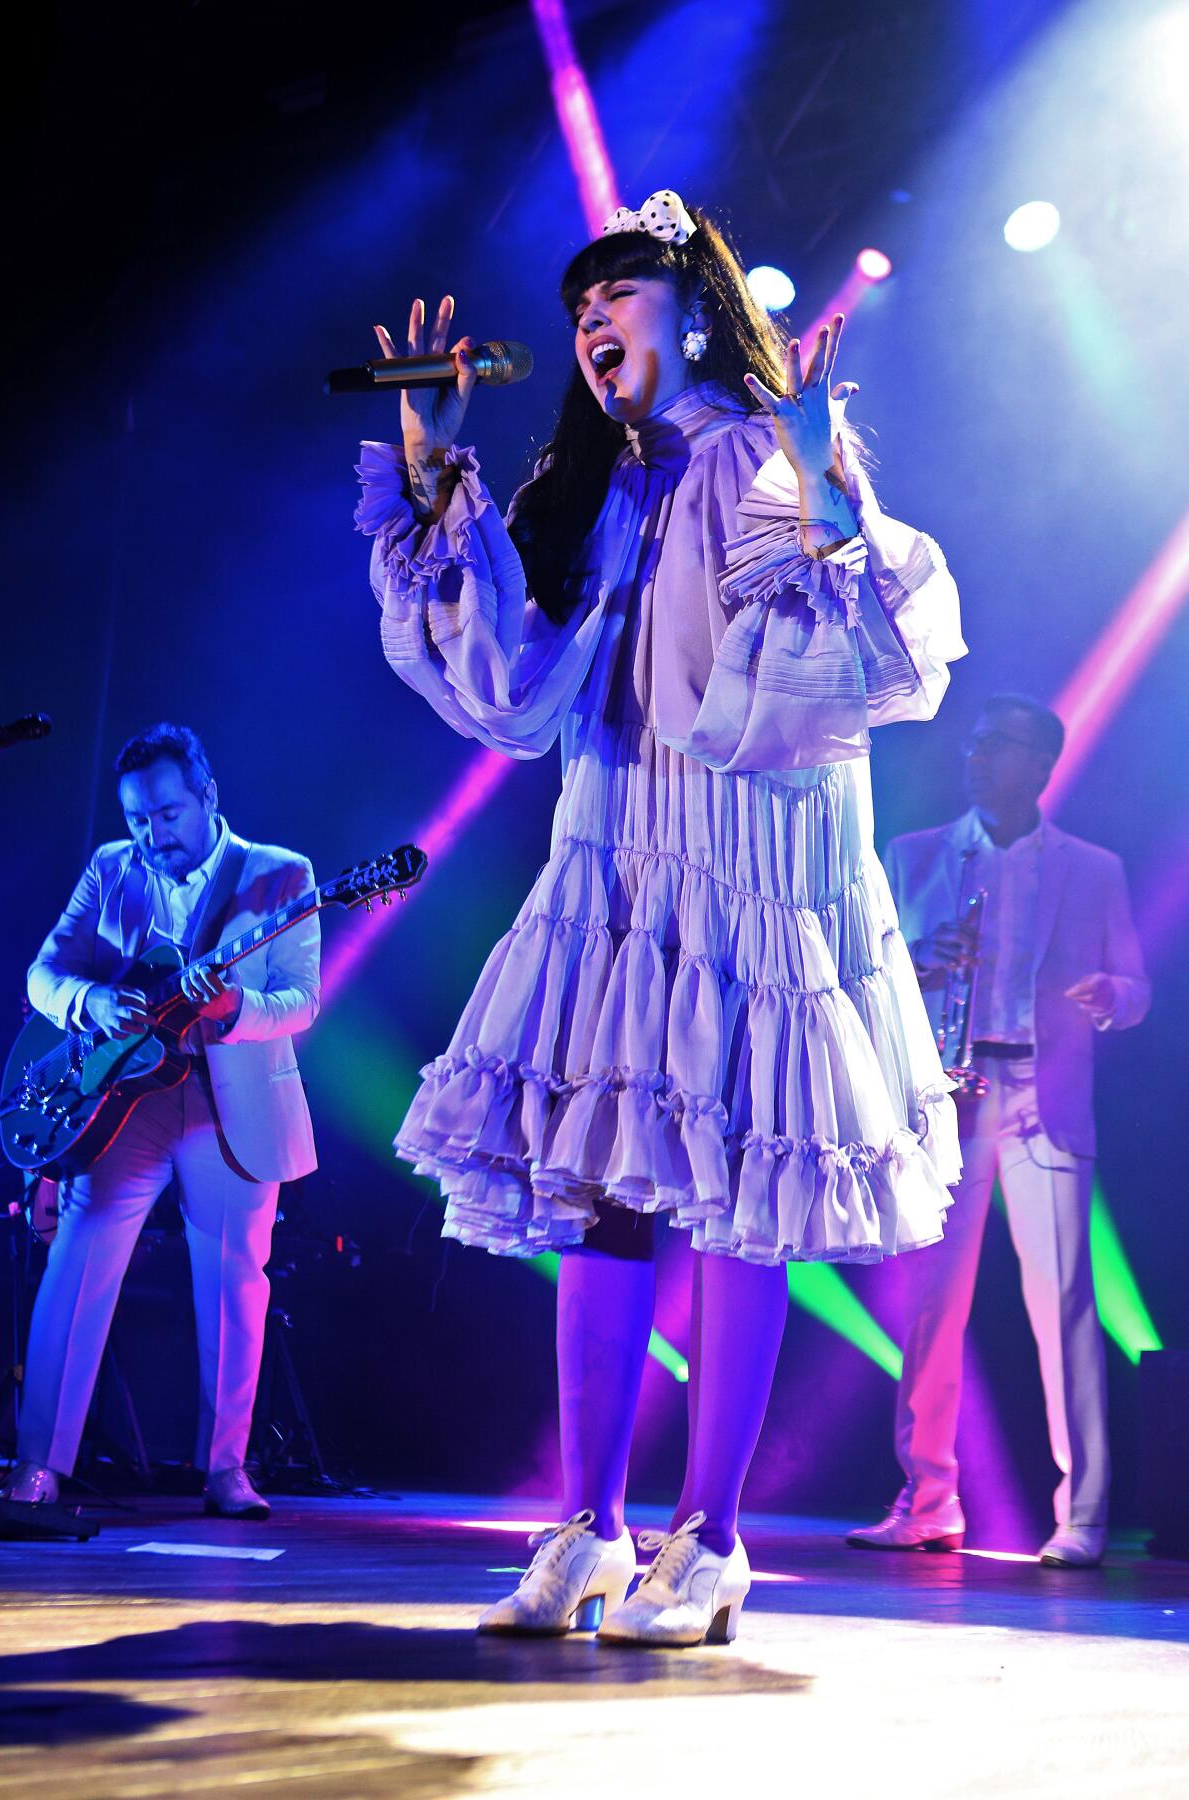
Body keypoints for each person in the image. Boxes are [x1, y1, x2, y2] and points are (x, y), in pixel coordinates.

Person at [355, 189, 965, 1645]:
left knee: (743, 1196)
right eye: (579, 305)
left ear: (692, 313)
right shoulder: (592, 486)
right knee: (607, 1194)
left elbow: (861, 652)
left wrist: (820, 473)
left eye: (617, 294)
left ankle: (717, 1540)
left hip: (751, 867)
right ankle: (591, 1528)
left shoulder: (762, 453)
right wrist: (437, 469)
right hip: (616, 859)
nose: (589, 320)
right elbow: (502, 689)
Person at [847, 695, 1150, 1567]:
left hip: (1040, 1094)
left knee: (1065, 1308)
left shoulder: (1094, 869)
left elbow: (1137, 984)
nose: (975, 757)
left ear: (1042, 764)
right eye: (974, 743)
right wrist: (913, 961)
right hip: (951, 1095)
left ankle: (1082, 1514)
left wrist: (1112, 999)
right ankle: (927, 1499)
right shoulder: (914, 857)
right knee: (932, 1307)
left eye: (996, 745)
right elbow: (861, 973)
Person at [0, 723, 321, 1519]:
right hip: (123, 1104)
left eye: (168, 814)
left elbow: (303, 1000)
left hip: (230, 1100)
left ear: (208, 796)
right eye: (139, 819)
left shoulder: (282, 874)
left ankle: (225, 1472)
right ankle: (38, 1466)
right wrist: (92, 1001)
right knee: (75, 1270)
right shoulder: (111, 868)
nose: (153, 835)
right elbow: (43, 975)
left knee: (232, 1283)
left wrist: (233, 1005)